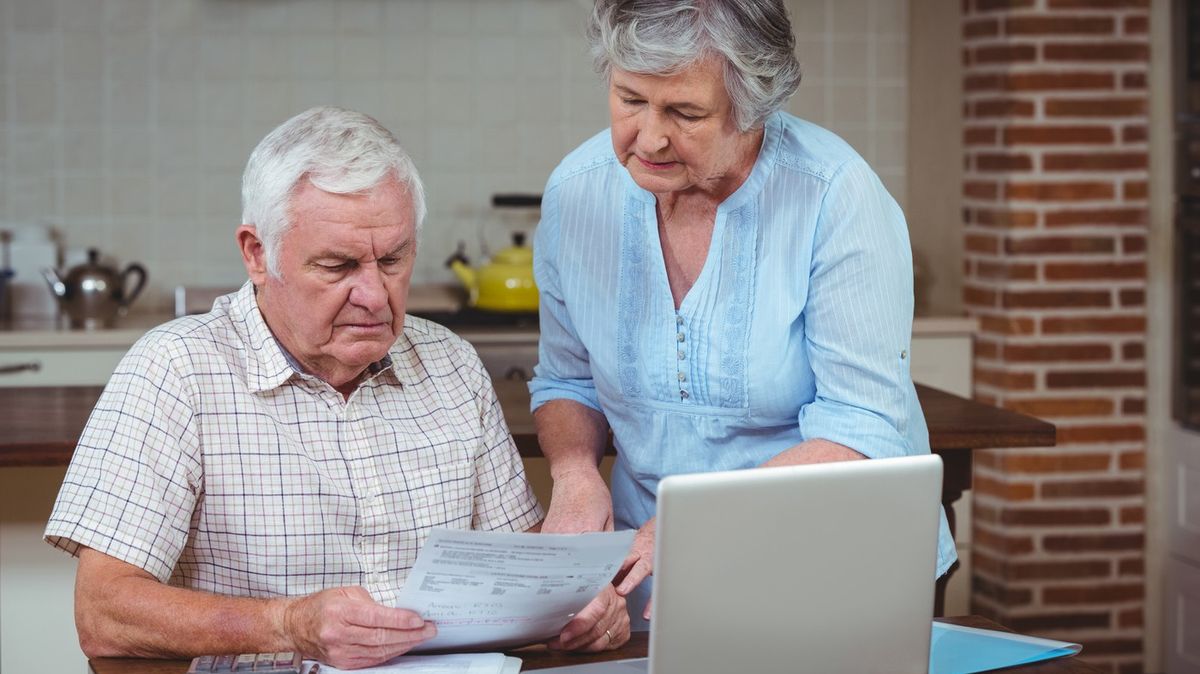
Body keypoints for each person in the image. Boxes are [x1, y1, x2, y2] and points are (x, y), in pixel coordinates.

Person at [43, 106, 629, 670]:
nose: (375, 296)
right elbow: (104, 613)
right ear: (257, 253)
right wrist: (287, 626)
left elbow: (527, 574)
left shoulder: (451, 363)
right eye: (337, 266)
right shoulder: (176, 370)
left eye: (393, 259)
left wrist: (579, 608)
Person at [530, 0, 958, 623]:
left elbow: (862, 427)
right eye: (629, 100)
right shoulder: (577, 193)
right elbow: (567, 380)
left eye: (685, 112)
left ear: (753, 107)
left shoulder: (834, 196)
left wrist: (698, 523)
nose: (649, 137)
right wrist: (573, 475)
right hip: (648, 568)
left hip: (830, 568)